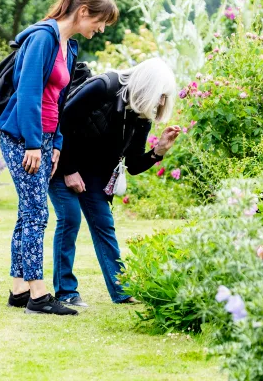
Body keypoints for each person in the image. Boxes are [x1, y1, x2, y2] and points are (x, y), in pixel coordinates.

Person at [0, 0, 119, 315]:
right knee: (37, 213)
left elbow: (59, 101)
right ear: (83, 12)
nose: (101, 28)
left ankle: (18, 288)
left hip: (46, 139)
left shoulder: (68, 46)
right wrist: (35, 144)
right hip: (23, 138)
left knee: (28, 212)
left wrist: (57, 144)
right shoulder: (42, 38)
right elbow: (28, 94)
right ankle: (38, 295)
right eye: (101, 21)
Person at [48, 58, 180, 307]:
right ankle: (66, 291)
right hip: (61, 160)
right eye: (160, 95)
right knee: (70, 218)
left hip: (95, 174)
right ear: (147, 86)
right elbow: (61, 123)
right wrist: (69, 169)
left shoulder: (141, 114)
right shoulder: (103, 86)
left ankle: (121, 291)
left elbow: (133, 164)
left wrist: (158, 151)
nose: (161, 102)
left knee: (104, 225)